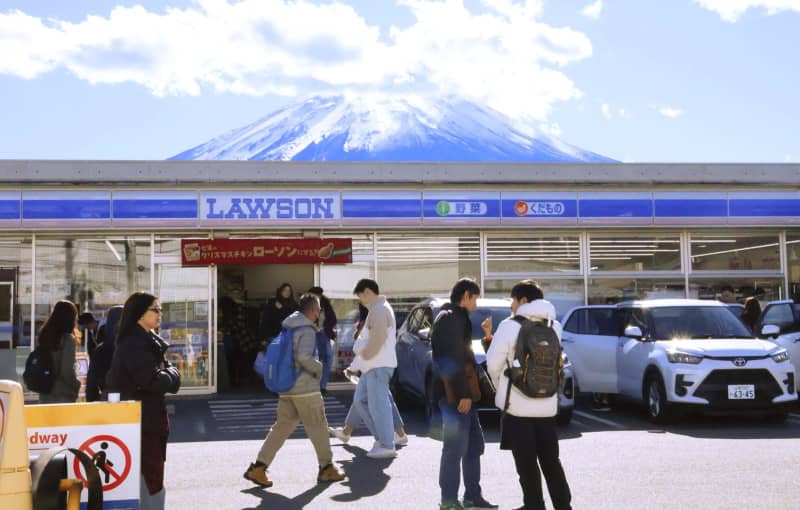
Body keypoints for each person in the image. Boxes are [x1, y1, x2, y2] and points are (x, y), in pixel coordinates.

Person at [244, 294, 346, 487]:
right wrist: (320, 368)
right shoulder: (306, 329)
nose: (319, 313)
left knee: (282, 427)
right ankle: (327, 468)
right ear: (313, 310)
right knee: (319, 427)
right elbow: (304, 358)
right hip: (305, 388)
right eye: (318, 310)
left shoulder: (288, 326)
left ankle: (259, 467)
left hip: (287, 387)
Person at [486, 280, 571, 510]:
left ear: (523, 300)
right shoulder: (555, 326)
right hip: (547, 405)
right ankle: (564, 506)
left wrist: (502, 387)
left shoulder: (509, 326)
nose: (511, 306)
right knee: (551, 462)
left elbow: (493, 365)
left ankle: (534, 505)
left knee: (526, 464)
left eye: (513, 301)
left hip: (517, 407)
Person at [106, 292, 181, 510]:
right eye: (154, 309)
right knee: (149, 475)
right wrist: (174, 374)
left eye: (160, 309)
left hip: (146, 419)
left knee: (149, 473)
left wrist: (169, 374)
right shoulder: (135, 342)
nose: (160, 314)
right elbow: (152, 380)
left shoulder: (146, 340)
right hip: (141, 421)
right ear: (140, 314)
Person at [431, 278, 497, 510]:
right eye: (475, 297)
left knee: (473, 446)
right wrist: (463, 395)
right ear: (466, 295)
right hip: (454, 396)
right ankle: (448, 501)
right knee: (454, 448)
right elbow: (453, 359)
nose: (476, 303)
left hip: (459, 393)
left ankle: (472, 496)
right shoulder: (451, 319)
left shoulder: (454, 318)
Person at [329, 304, 409, 447]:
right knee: (369, 398)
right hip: (377, 367)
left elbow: (366, 350)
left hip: (374, 367)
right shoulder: (377, 315)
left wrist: (352, 368)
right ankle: (347, 432)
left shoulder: (372, 320)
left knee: (362, 400)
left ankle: (383, 437)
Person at [351, 278, 399, 459]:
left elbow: (376, 340)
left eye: (361, 296)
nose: (361, 300)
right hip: (374, 365)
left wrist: (363, 357)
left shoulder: (379, 310)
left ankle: (387, 444)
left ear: (368, 292)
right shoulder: (378, 309)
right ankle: (383, 439)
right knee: (362, 401)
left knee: (379, 405)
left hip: (377, 365)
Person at [37, 300, 81, 404]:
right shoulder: (68, 339)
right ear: (70, 318)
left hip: (44, 393)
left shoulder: (44, 335)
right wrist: (76, 385)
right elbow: (67, 371)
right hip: (62, 395)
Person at [85, 305, 123, 402]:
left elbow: (91, 382)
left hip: (108, 398)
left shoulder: (101, 349)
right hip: (132, 400)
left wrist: (92, 401)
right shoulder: (132, 346)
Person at [308, 286, 337, 392]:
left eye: (318, 295)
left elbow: (332, 318)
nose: (317, 297)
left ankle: (322, 385)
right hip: (310, 333)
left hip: (323, 333)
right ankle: (312, 384)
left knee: (327, 357)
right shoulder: (306, 304)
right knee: (311, 358)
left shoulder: (325, 303)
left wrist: (325, 328)